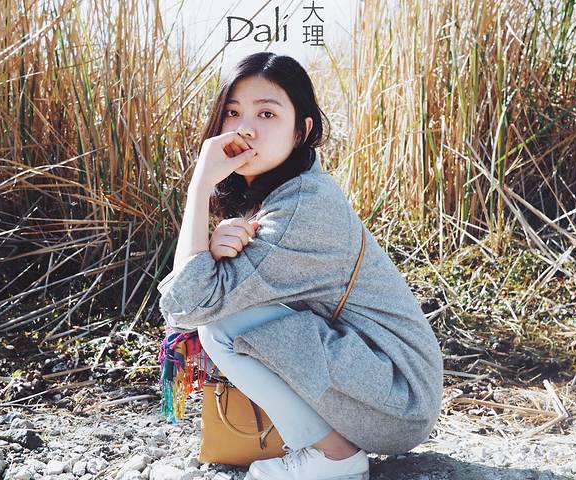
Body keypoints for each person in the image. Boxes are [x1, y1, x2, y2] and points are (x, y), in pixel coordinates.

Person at [157, 51, 444, 480]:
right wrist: (213, 252)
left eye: (267, 113)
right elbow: (194, 294)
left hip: (398, 398)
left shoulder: (302, 209)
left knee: (222, 324)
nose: (245, 128)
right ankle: (324, 446)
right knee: (224, 314)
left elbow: (189, 306)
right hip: (380, 385)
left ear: (301, 130)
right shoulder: (287, 194)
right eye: (232, 112)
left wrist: (199, 185)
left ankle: (335, 457)